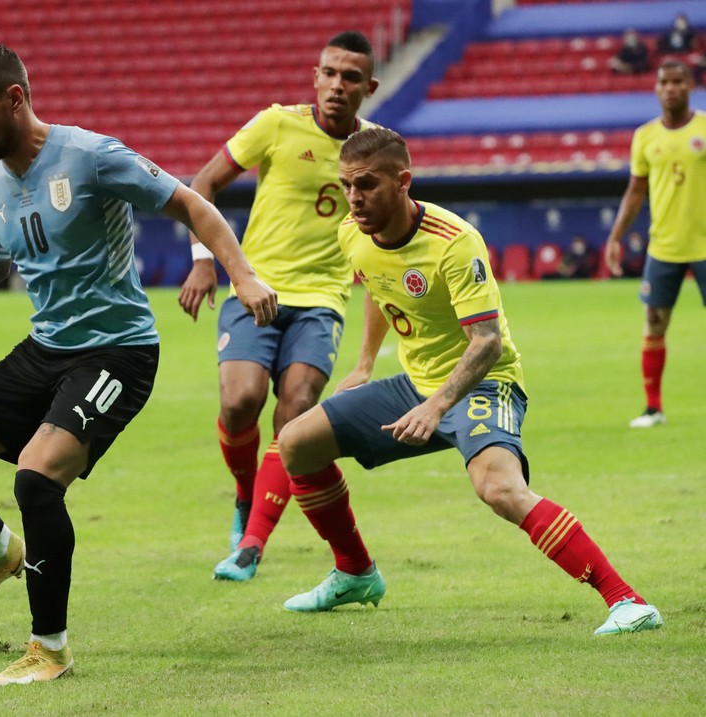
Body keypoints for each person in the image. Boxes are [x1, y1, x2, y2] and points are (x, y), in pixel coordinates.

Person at [0, 42, 277, 687]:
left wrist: (243, 277)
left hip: (118, 350)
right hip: (47, 349)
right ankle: (0, 554)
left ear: (15, 98)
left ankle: (48, 648)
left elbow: (194, 205)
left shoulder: (92, 156)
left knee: (36, 481)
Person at [274, 127, 662, 636]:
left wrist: (436, 405)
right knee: (297, 443)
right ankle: (355, 572)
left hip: (485, 382)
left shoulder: (455, 242)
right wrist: (365, 363)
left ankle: (627, 601)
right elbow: (377, 285)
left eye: (366, 185)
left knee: (500, 488)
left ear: (403, 181)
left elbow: (486, 343)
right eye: (346, 184)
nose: (353, 198)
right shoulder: (354, 231)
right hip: (415, 385)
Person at [177, 31, 379, 581]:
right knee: (242, 400)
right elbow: (203, 185)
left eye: (351, 78)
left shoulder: (378, 148)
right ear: (316, 77)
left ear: (369, 87)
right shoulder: (276, 124)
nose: (338, 86)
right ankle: (246, 495)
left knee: (297, 408)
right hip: (254, 288)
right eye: (329, 73)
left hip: (322, 301)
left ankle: (251, 544)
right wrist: (203, 261)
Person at [604, 60, 706, 428]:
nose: (671, 87)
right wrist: (615, 236)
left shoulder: (704, 127)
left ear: (690, 85)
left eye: (678, 81)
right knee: (653, 323)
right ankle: (653, 408)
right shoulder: (645, 136)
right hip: (664, 247)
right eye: (664, 81)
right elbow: (635, 191)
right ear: (656, 88)